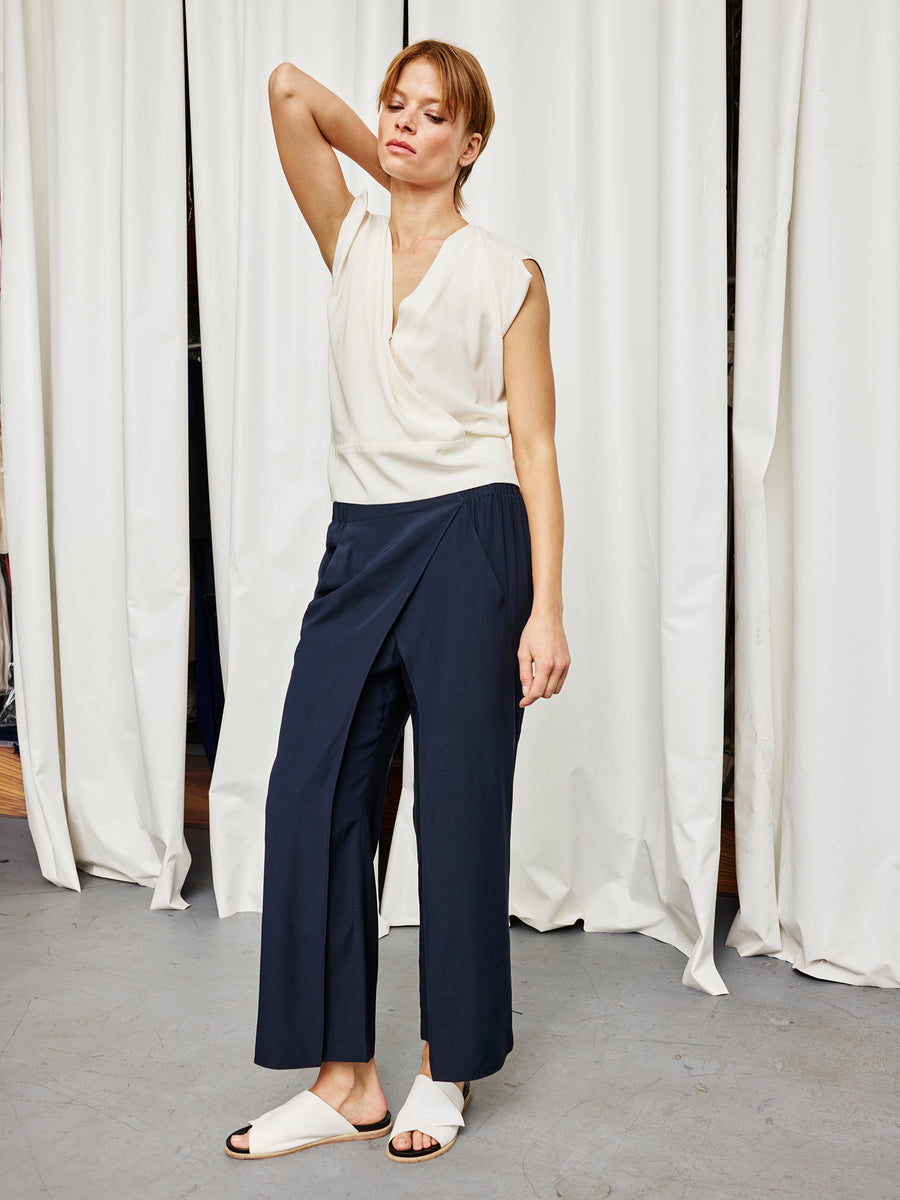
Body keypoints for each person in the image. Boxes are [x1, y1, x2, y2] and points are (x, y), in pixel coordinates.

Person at [225, 38, 570, 1164]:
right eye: (395, 106)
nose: (407, 123)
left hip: (473, 536)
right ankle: (344, 1081)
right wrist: (389, 162)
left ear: (474, 147)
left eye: (436, 115)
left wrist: (547, 607)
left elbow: (533, 444)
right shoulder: (350, 237)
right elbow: (287, 91)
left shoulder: (508, 272)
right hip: (361, 540)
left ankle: (445, 1071)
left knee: (459, 809)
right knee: (309, 788)